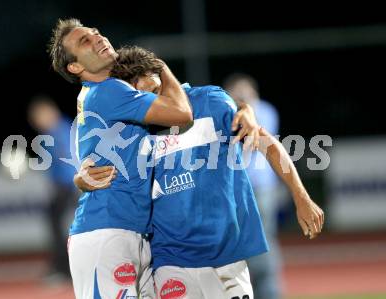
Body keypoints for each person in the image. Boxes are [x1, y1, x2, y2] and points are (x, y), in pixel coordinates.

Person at [75, 46, 324, 299]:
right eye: (131, 90)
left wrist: (301, 197)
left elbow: (266, 143)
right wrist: (81, 176)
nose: (141, 95)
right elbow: (96, 153)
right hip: (170, 260)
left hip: (226, 255)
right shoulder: (136, 127)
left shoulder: (210, 102)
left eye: (142, 83)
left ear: (158, 73)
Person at [48, 18, 194, 299]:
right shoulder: (110, 92)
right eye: (85, 41)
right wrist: (159, 66)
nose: (98, 38)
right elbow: (182, 113)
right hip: (108, 230)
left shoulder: (98, 95)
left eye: (96, 33)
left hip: (128, 230)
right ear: (75, 67)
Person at [224, 73, 282, 299]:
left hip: (257, 186)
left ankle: (267, 292)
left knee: (262, 241)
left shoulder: (263, 111)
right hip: (243, 187)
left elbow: (251, 137)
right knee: (244, 241)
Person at [27, 96, 77, 282]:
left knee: (59, 225)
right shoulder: (60, 129)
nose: (36, 123)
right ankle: (63, 267)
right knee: (59, 224)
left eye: (38, 117)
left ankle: (63, 268)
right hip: (70, 185)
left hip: (69, 186)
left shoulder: (59, 130)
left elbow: (65, 159)